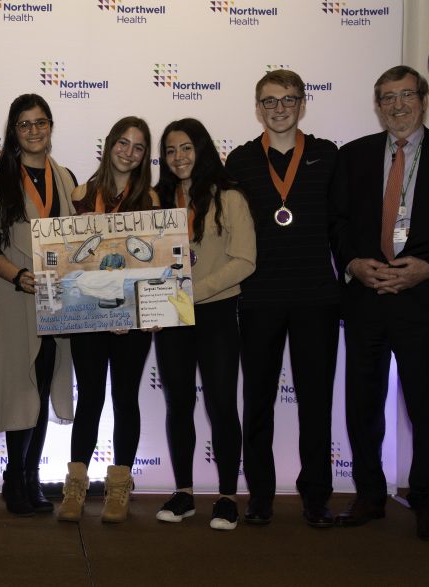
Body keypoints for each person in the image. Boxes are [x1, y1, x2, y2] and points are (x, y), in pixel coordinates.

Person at [329, 65, 429, 541]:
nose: (397, 105)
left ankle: (425, 500)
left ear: (422, 98)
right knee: (363, 405)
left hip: (424, 300)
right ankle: (369, 495)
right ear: (377, 106)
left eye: (405, 95)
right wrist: (354, 263)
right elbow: (337, 222)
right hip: (366, 298)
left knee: (426, 406)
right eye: (387, 97)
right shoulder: (353, 155)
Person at [225, 69, 340, 528]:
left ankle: (316, 497)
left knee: (316, 402)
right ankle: (260, 496)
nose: (279, 109)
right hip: (259, 296)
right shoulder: (239, 160)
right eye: (270, 101)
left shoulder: (328, 155)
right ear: (258, 108)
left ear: (302, 104)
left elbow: (345, 222)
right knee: (257, 402)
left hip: (316, 296)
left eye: (289, 99)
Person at [153, 118, 255, 530]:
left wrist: (193, 292)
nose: (178, 157)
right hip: (171, 315)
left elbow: (245, 261)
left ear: (202, 149)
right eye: (170, 150)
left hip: (215, 313)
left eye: (186, 148)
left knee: (221, 405)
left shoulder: (229, 197)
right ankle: (184, 492)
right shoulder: (158, 199)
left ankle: (228, 496)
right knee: (178, 404)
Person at [59, 116, 160, 524]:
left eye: (138, 147)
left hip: (132, 319)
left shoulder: (151, 199)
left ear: (145, 155)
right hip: (88, 315)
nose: (128, 152)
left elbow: (155, 264)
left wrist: (144, 310)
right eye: (122, 142)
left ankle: (118, 487)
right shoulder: (81, 193)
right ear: (109, 144)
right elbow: (68, 258)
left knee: (125, 398)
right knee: (90, 398)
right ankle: (75, 485)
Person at [0, 94, 77, 516]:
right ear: (13, 131)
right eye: (25, 124)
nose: (34, 131)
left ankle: (31, 475)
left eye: (40, 122)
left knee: (41, 386)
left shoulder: (67, 179)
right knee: (19, 387)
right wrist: (18, 276)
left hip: (57, 300)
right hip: (15, 294)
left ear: (51, 126)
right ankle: (14, 478)